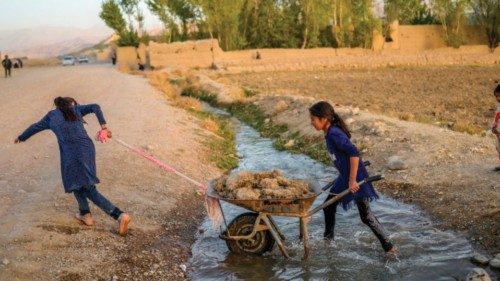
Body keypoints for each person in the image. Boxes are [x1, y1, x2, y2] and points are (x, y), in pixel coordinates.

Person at [14, 97, 131, 236]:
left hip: (71, 154)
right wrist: (104, 126)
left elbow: (35, 127)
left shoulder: (51, 116)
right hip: (86, 150)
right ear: (72, 103)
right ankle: (85, 214)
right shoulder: (76, 109)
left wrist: (21, 137)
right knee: (76, 183)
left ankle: (119, 215)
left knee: (87, 187)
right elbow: (95, 106)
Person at [309, 101, 396, 253]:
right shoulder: (329, 133)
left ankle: (389, 247)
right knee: (328, 207)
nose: (311, 122)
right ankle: (328, 242)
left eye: (313, 119)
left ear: (324, 119)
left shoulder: (334, 133)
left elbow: (354, 154)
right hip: (346, 176)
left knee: (366, 216)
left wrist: (352, 180)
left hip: (354, 177)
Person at [492, 85, 500, 171]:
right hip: (498, 132)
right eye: (496, 96)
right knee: (498, 148)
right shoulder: (498, 107)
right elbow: (496, 118)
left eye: (499, 96)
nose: (498, 98)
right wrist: (494, 127)